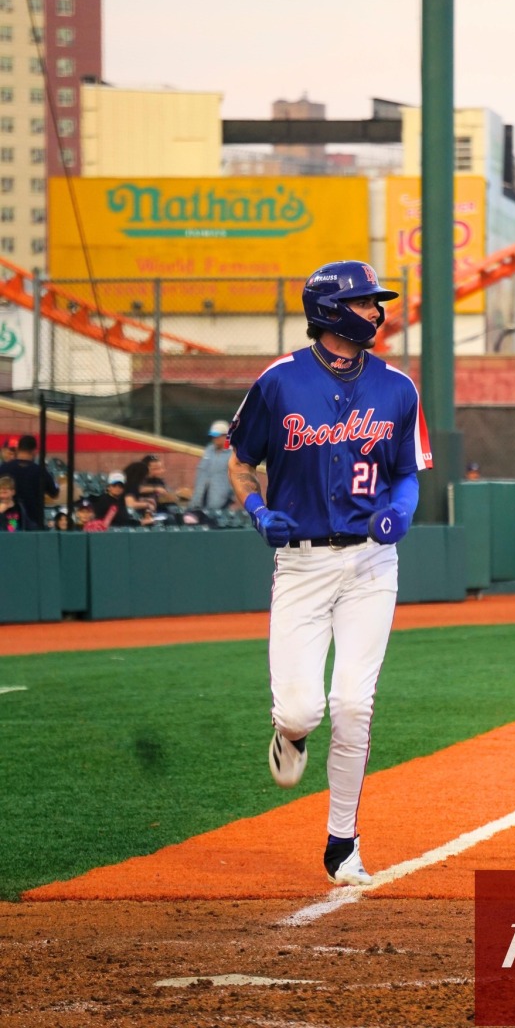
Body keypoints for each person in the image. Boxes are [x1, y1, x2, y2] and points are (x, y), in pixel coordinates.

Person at [227, 259, 432, 887]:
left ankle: (342, 843)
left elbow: (407, 472)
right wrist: (258, 511)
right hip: (302, 564)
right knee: (301, 711)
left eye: (376, 301)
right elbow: (240, 462)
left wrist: (401, 512)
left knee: (352, 704)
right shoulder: (278, 382)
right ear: (330, 310)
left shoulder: (398, 387)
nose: (376, 311)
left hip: (371, 563)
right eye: (365, 301)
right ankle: (288, 734)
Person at [0, 434, 59, 528]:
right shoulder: (40, 471)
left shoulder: (4, 468)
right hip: (34, 525)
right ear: (34, 451)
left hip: (9, 523)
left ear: (18, 449)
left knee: (12, 532)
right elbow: (55, 493)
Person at [191, 421, 235, 510]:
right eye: (213, 436)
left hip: (221, 500)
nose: (214, 438)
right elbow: (201, 472)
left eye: (217, 436)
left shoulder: (233, 454)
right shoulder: (209, 450)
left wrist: (229, 497)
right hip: (201, 497)